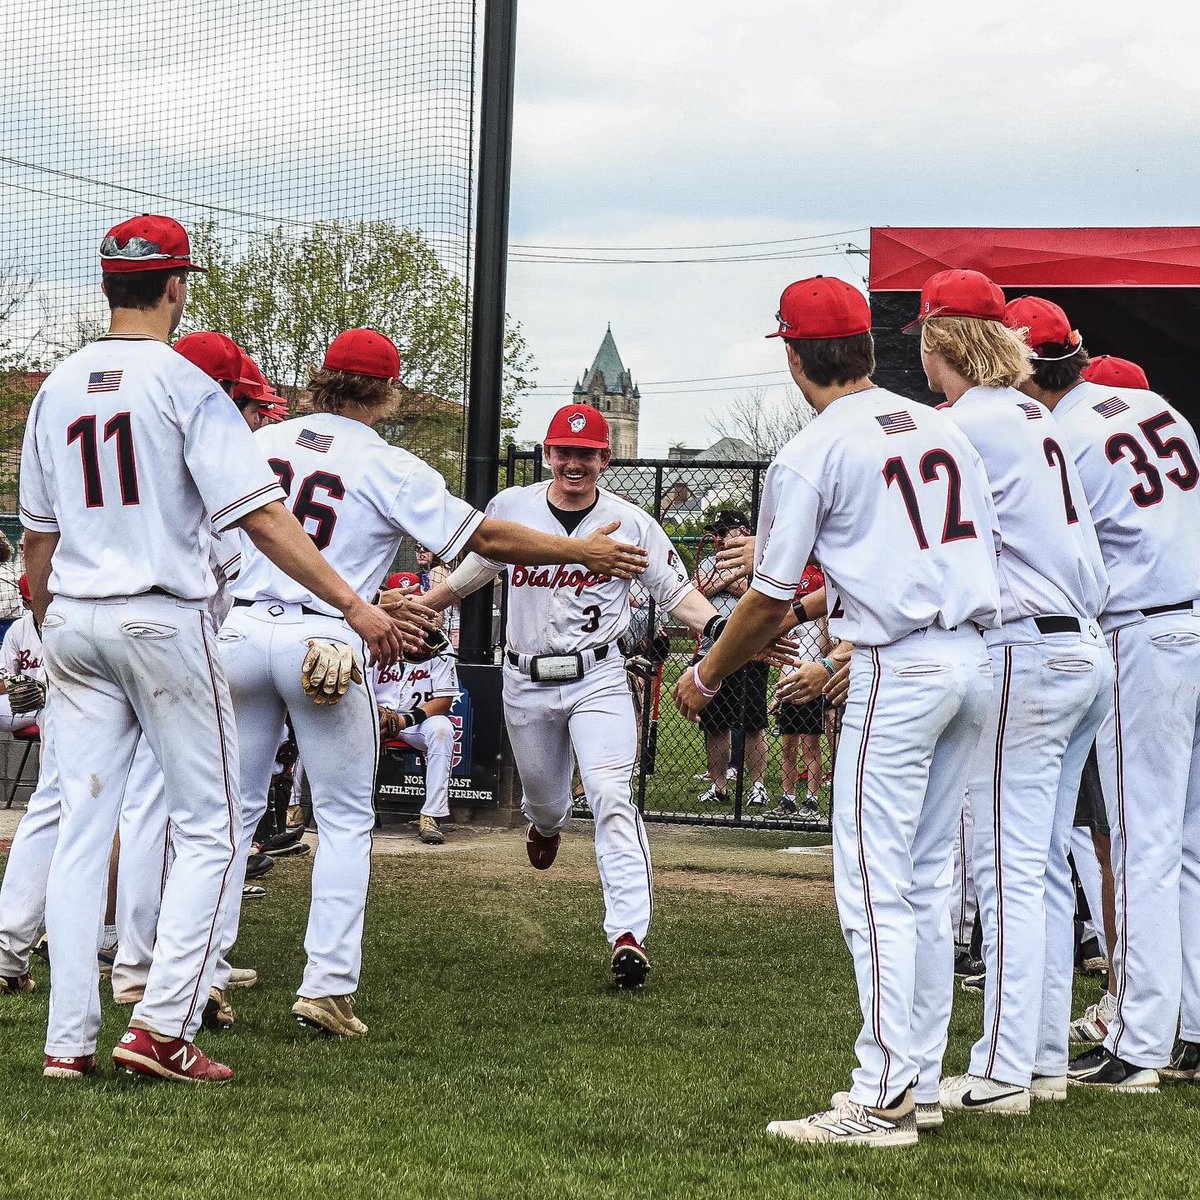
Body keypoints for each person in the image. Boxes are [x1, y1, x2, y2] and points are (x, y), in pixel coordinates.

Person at [18, 214, 405, 1084]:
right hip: (163, 615)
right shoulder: (186, 383)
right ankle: (161, 1029)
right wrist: (352, 603)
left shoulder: (56, 385)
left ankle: (67, 1042)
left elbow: (37, 540)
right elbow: (262, 517)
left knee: (84, 828)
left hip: (74, 614)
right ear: (177, 286)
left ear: (107, 281)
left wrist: (47, 622)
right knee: (214, 828)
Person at [212, 337, 650, 1036]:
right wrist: (582, 549)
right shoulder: (385, 462)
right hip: (320, 641)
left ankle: (200, 975)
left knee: (227, 818)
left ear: (322, 381)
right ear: (388, 394)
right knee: (347, 820)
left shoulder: (263, 438)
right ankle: (324, 988)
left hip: (234, 632)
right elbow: (489, 541)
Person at [675, 275, 1000, 1147]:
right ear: (868, 344)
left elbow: (770, 603)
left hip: (900, 665)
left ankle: (885, 1094)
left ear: (792, 353)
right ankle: (919, 1081)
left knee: (872, 884)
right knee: (928, 879)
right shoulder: (940, 424)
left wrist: (705, 676)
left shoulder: (813, 450)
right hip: (976, 654)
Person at [416, 403, 722, 988]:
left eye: (586, 453)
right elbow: (477, 571)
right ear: (547, 454)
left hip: (598, 674)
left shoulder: (631, 522)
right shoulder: (513, 508)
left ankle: (627, 934)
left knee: (611, 793)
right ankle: (546, 823)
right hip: (525, 678)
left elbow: (676, 590)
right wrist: (427, 605)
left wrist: (718, 634)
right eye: (563, 451)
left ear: (606, 458)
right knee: (547, 802)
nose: (573, 463)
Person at [910, 271, 1112, 1117]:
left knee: (1003, 867)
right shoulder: (1032, 411)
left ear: (939, 340)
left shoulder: (964, 423)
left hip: (1027, 651)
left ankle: (1001, 1074)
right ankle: (1039, 1059)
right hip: (1084, 648)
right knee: (1040, 870)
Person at [1007, 295, 1200, 1091]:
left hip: (1137, 631)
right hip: (1190, 616)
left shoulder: (1064, 433)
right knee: (1185, 841)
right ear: (1077, 351)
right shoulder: (1158, 407)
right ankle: (1189, 1028)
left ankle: (1141, 1041)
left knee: (1143, 840)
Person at [375, 571, 461, 846]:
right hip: (372, 717)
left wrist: (403, 720)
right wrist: (370, 718)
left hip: (414, 722)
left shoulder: (438, 644)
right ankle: (296, 808)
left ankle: (431, 815)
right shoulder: (371, 635)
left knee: (442, 729)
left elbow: (444, 701)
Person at [693, 511, 770, 808]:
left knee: (753, 723)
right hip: (711, 652)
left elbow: (757, 595)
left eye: (725, 531)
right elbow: (698, 589)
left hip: (750, 652)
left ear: (743, 531)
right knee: (715, 723)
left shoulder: (759, 559)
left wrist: (725, 580)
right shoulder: (707, 563)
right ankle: (718, 784)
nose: (720, 537)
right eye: (718, 532)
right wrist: (733, 579)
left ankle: (757, 785)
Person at [773, 560, 829, 817]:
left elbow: (826, 649)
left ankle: (812, 798)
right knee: (788, 745)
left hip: (812, 684)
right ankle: (788, 796)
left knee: (811, 745)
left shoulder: (819, 624)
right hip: (789, 682)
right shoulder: (787, 623)